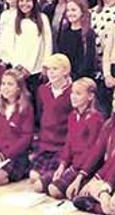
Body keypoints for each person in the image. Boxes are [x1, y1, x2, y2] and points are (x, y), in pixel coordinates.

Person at [63, 82, 115, 201]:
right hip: (105, 171)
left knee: (84, 198)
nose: (114, 102)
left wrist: (97, 180)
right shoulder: (109, 124)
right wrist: (81, 176)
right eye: (114, 98)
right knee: (76, 193)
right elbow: (96, 152)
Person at [0, 69, 36, 186]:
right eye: (3, 84)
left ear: (18, 88)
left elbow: (26, 138)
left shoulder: (26, 109)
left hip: (15, 155)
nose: (5, 87)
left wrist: (4, 155)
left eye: (10, 84)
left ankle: (22, 171)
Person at [47, 78, 103, 199]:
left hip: (84, 168)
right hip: (72, 164)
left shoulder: (95, 119)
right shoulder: (72, 116)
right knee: (40, 185)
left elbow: (93, 152)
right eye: (72, 93)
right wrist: (62, 165)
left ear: (90, 96)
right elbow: (68, 143)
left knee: (54, 190)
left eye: (78, 93)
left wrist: (80, 174)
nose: (73, 96)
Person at [30, 54, 74, 192]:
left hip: (62, 146)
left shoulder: (73, 91)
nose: (51, 72)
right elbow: (40, 114)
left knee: (39, 186)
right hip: (45, 144)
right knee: (33, 176)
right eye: (49, 69)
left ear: (65, 71)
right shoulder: (42, 90)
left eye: (55, 69)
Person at [0, 0, 53, 95]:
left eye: (28, 0)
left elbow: (48, 44)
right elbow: (7, 44)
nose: (24, 4)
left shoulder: (42, 19)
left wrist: (45, 65)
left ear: (34, 1)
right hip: (18, 68)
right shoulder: (14, 20)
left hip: (36, 69)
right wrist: (18, 66)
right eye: (21, 0)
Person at [55, 0, 97, 79]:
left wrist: (76, 76)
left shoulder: (88, 33)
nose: (70, 13)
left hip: (82, 77)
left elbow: (88, 60)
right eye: (68, 10)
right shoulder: (64, 31)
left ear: (82, 11)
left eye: (73, 10)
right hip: (65, 76)